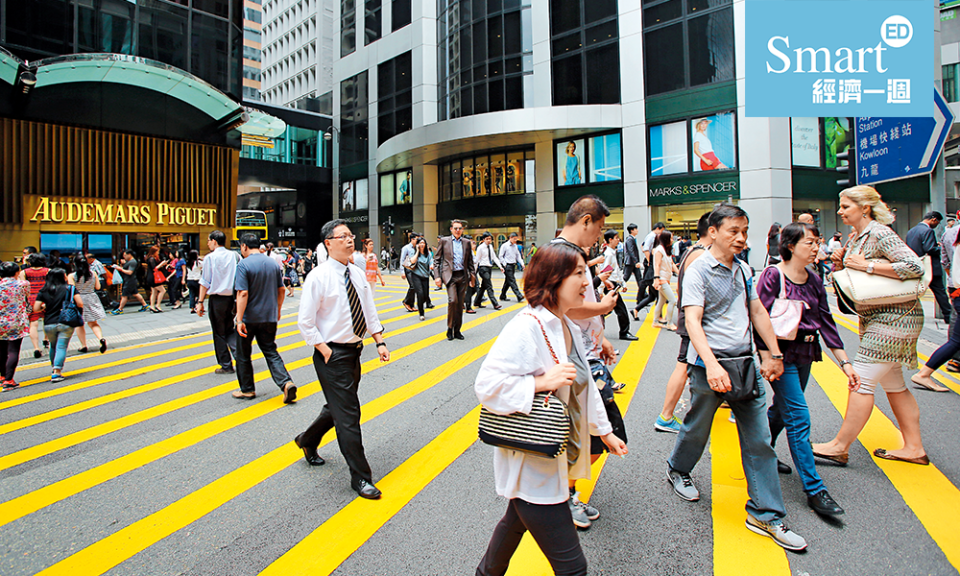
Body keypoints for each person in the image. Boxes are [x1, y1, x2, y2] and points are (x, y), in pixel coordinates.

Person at [474, 242, 627, 576]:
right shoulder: (527, 326)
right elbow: (486, 386)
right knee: (573, 569)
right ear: (553, 279)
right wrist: (540, 383)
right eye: (578, 274)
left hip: (553, 455)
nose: (587, 281)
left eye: (585, 272)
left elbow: (583, 389)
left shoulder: (565, 325)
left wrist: (605, 432)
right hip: (534, 460)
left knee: (513, 526)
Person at [667, 204, 807, 552]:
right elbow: (693, 321)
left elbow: (757, 310)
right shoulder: (698, 270)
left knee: (759, 439)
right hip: (709, 367)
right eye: (733, 231)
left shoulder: (744, 268)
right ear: (713, 232)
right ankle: (677, 468)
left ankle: (766, 513)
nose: (741, 238)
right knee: (697, 428)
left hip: (745, 365)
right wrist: (711, 365)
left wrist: (772, 353)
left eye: (744, 230)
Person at [814, 186, 930, 466]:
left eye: (845, 206)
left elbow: (914, 267)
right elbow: (855, 283)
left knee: (861, 382)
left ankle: (840, 446)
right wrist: (843, 263)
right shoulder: (857, 237)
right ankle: (914, 447)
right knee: (895, 385)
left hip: (895, 318)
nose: (840, 211)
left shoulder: (879, 233)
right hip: (880, 317)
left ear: (864, 208)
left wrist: (866, 265)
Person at [756, 222, 857, 517]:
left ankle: (764, 450)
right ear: (789, 246)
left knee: (781, 409)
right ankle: (814, 489)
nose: (816, 248)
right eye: (809, 243)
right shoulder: (773, 276)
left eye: (817, 242)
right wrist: (768, 356)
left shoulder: (813, 279)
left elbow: (826, 322)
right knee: (799, 417)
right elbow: (759, 318)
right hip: (782, 356)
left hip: (806, 354)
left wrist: (845, 362)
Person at [295, 219, 391, 499]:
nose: (350, 240)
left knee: (337, 407)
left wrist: (379, 341)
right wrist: (325, 350)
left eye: (351, 236)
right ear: (329, 243)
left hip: (355, 351)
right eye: (343, 237)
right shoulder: (318, 276)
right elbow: (305, 322)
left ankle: (307, 440)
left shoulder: (357, 273)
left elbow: (369, 310)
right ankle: (361, 477)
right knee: (349, 414)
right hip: (332, 355)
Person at [552, 195, 621, 528]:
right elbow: (568, 307)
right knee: (593, 432)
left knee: (587, 432)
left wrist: (601, 336)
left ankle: (565, 495)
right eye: (600, 228)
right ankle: (563, 497)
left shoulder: (571, 253)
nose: (599, 236)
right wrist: (604, 308)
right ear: (587, 220)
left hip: (585, 351)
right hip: (574, 356)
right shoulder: (564, 254)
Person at [654, 212, 712, 434]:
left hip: (693, 318)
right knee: (683, 365)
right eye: (733, 231)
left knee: (687, 365)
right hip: (693, 319)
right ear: (714, 230)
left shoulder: (694, 250)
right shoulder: (700, 254)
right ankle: (666, 416)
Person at [232, 233, 297, 402]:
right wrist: (278, 309)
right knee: (270, 350)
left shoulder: (243, 265)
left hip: (249, 318)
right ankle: (286, 382)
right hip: (269, 316)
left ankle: (247, 390)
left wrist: (239, 319)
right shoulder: (272, 264)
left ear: (244, 246)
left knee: (243, 354)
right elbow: (281, 290)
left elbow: (243, 293)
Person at [195, 230, 240, 375]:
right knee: (230, 329)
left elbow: (205, 281)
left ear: (214, 241)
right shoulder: (235, 255)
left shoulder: (210, 258)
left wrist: (200, 301)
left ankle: (226, 364)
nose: (208, 243)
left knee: (219, 332)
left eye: (208, 241)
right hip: (232, 299)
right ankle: (241, 358)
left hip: (217, 299)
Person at [34, 268, 85, 384]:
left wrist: (44, 307)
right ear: (63, 277)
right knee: (61, 347)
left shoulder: (43, 290)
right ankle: (57, 372)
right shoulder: (70, 288)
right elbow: (80, 303)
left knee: (53, 346)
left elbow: (36, 308)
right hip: (65, 321)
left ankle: (54, 368)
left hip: (49, 323)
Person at [434, 220, 476, 341]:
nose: (458, 230)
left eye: (460, 228)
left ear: (462, 230)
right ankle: (450, 328)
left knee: (460, 304)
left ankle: (457, 330)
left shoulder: (467, 243)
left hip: (462, 276)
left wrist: (472, 277)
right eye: (455, 228)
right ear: (451, 229)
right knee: (453, 301)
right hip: (450, 276)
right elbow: (437, 260)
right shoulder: (444, 241)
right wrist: (437, 276)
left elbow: (470, 262)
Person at [906, 211, 949, 325]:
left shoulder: (911, 231)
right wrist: (942, 248)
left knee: (913, 292)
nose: (937, 225)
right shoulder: (928, 231)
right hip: (930, 267)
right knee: (940, 292)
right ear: (933, 219)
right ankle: (948, 316)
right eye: (938, 222)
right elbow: (929, 249)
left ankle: (909, 315)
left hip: (915, 266)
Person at [601, 230, 637, 341]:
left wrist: (622, 283)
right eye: (616, 238)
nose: (618, 240)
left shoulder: (612, 252)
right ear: (610, 240)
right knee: (621, 310)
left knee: (610, 309)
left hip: (612, 283)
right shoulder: (608, 254)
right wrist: (603, 286)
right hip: (610, 284)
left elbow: (615, 269)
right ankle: (624, 332)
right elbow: (605, 270)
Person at [0, 262, 30, 391]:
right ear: (17, 272)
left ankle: (2, 376)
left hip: (0, 322)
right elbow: (27, 296)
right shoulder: (23, 284)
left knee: (1, 350)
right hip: (16, 322)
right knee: (13, 350)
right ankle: (8, 380)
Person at [72, 254, 107, 355]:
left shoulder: (72, 276)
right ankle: (101, 338)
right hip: (91, 298)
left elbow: (71, 289)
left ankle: (83, 345)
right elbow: (98, 287)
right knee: (93, 323)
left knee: (80, 324)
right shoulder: (93, 273)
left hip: (79, 298)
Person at [940, 220, 960, 373]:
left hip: (955, 282)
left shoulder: (950, 233)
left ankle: (955, 359)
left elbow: (945, 262)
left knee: (955, 318)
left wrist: (952, 278)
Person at [21, 252, 50, 358]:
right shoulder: (48, 271)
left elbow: (22, 286)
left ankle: (36, 348)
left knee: (33, 324)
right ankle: (46, 339)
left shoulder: (24, 272)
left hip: (31, 298)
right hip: (45, 297)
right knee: (47, 320)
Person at [652, 230, 680, 330]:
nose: (672, 240)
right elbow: (657, 265)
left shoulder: (666, 250)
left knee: (661, 301)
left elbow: (672, 264)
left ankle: (655, 322)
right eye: (671, 238)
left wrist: (679, 273)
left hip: (665, 279)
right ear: (665, 239)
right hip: (661, 279)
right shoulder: (659, 250)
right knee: (672, 300)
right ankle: (669, 323)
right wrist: (656, 278)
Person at [635, 222, 665, 314]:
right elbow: (646, 248)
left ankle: (638, 305)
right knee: (647, 283)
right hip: (651, 262)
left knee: (648, 287)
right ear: (658, 228)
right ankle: (658, 315)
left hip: (650, 262)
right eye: (662, 231)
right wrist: (649, 261)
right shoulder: (652, 236)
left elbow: (643, 246)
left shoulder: (651, 236)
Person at [110, 250, 149, 315]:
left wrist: (120, 268)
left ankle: (120, 309)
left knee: (124, 295)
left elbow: (130, 272)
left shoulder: (133, 262)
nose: (124, 257)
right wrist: (122, 265)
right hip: (130, 280)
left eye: (125, 255)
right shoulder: (129, 262)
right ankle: (145, 305)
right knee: (135, 293)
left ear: (129, 254)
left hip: (130, 281)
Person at [474, 233, 504, 310]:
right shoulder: (480, 248)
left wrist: (500, 266)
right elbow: (477, 260)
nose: (489, 240)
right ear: (483, 240)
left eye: (490, 239)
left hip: (489, 268)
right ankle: (495, 303)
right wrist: (474, 272)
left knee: (483, 286)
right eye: (487, 239)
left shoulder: (490, 247)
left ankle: (477, 301)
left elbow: (494, 257)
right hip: (483, 269)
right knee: (489, 286)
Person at [407, 237, 434, 320]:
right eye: (420, 243)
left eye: (423, 243)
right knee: (420, 293)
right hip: (416, 275)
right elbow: (412, 261)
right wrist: (417, 251)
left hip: (425, 276)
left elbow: (431, 261)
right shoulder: (413, 252)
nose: (422, 244)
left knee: (426, 295)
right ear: (417, 244)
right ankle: (421, 313)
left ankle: (421, 305)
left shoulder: (428, 253)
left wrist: (431, 265)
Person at [498, 233, 525, 302]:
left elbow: (518, 256)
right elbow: (500, 256)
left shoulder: (515, 246)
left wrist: (522, 264)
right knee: (512, 280)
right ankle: (519, 295)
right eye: (514, 239)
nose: (515, 240)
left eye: (516, 239)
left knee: (508, 281)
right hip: (507, 266)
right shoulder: (505, 246)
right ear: (510, 238)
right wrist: (505, 264)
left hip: (513, 265)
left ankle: (502, 295)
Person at [144, 246, 168, 313]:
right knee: (162, 290)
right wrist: (162, 264)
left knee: (154, 292)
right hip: (154, 277)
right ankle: (158, 305)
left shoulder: (150, 258)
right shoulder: (152, 259)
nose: (158, 253)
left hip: (151, 277)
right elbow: (155, 268)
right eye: (157, 252)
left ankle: (152, 306)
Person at [400, 234, 420, 312]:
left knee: (415, 287)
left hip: (415, 269)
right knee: (412, 286)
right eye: (416, 239)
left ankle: (411, 305)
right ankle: (406, 301)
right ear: (412, 239)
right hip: (408, 269)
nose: (418, 241)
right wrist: (402, 271)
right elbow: (402, 260)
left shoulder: (417, 248)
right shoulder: (406, 248)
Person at [185, 250, 203, 314]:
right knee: (199, 294)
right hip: (197, 280)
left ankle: (192, 308)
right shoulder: (198, 263)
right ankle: (198, 306)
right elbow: (204, 265)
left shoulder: (188, 263)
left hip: (189, 279)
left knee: (192, 294)